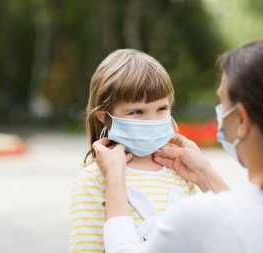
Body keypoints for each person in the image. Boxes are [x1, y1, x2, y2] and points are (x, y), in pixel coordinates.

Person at [93, 37, 263, 253]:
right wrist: (205, 174)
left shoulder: (198, 218)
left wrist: (114, 179)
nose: (220, 114)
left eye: (223, 104)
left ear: (243, 120)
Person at [69, 49, 198, 253]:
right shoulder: (94, 180)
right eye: (137, 112)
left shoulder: (182, 173)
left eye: (162, 109)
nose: (153, 120)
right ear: (104, 117)